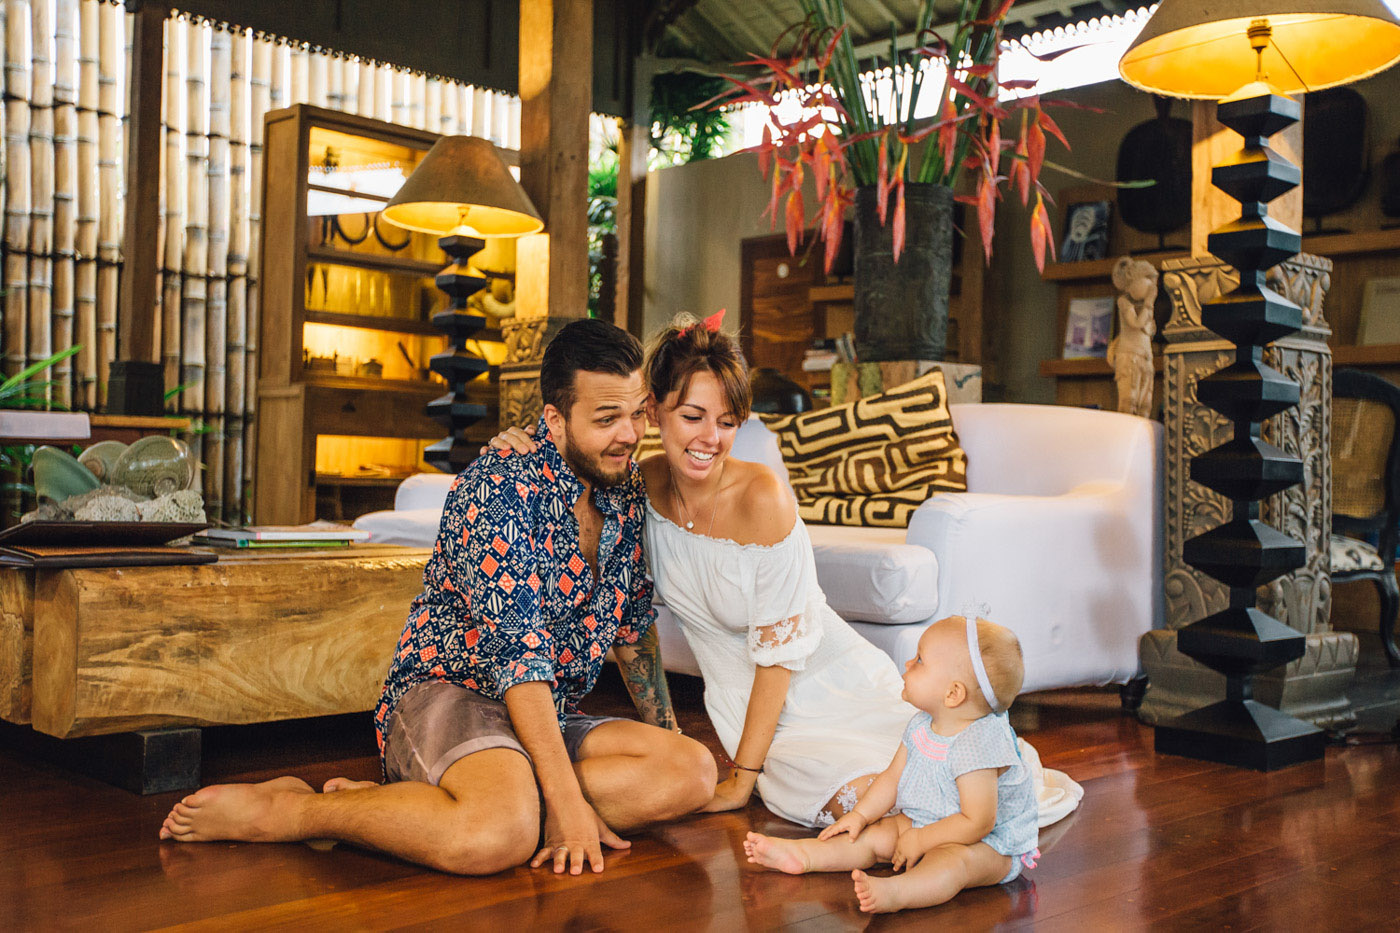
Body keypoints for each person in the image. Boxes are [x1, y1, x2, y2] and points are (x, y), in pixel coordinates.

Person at [158, 318, 717, 876]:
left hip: (548, 712)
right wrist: (568, 808)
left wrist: (660, 734)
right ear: (554, 418)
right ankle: (302, 811)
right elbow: (518, 661)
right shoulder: (500, 487)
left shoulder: (624, 488)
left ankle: (454, 801)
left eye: (636, 413)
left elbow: (633, 624)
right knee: (495, 836)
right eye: (606, 418)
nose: (629, 433)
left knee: (691, 771)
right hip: (449, 694)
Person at [488, 317, 1080, 831]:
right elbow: (580, 461)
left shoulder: (763, 496)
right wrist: (525, 442)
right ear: (655, 412)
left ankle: (959, 817)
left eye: (727, 421)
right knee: (829, 785)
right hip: (736, 701)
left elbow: (779, 658)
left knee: (883, 782)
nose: (709, 439)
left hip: (815, 681)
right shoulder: (638, 485)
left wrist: (743, 778)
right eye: (692, 416)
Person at [743, 616, 1039, 915]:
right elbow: (892, 777)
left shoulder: (977, 745)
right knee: (875, 834)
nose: (908, 664)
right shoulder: (922, 725)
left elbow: (978, 822)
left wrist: (921, 839)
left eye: (920, 660)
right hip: (926, 821)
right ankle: (804, 855)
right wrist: (860, 815)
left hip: (990, 845)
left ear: (953, 694)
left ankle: (898, 892)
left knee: (952, 863)